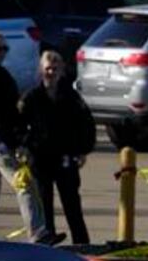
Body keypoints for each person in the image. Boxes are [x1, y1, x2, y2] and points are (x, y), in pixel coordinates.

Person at [0, 26, 62, 246]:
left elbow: (6, 110)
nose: (2, 53)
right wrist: (15, 142)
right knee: (24, 182)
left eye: (5, 49)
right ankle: (38, 233)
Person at [20, 50, 96, 245]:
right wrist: (24, 147)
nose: (51, 72)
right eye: (48, 68)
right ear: (41, 70)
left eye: (55, 68)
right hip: (41, 158)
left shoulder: (72, 97)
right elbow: (18, 126)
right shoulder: (32, 97)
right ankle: (48, 241)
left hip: (65, 157)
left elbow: (86, 124)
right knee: (44, 203)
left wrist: (83, 150)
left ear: (62, 70)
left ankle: (82, 244)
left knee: (72, 205)